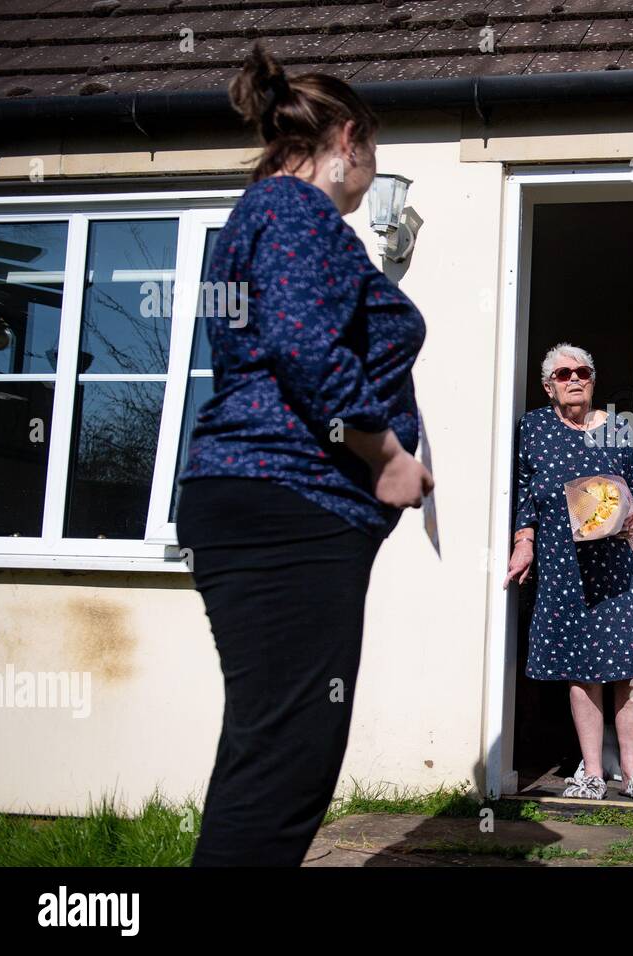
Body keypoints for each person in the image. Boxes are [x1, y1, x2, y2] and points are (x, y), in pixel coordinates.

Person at [176, 42, 433, 866]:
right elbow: (304, 344)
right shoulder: (293, 212)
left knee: (272, 750)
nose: (366, 183)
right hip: (286, 502)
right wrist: (387, 452)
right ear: (347, 140)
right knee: (288, 760)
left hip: (277, 503)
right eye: (371, 160)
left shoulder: (265, 215)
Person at [503, 343, 633, 801]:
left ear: (592, 379)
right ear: (548, 386)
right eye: (562, 374)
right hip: (564, 563)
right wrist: (524, 543)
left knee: (630, 669)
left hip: (618, 562)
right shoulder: (534, 427)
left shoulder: (616, 428)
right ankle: (593, 773)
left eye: (582, 371)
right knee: (582, 667)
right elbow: (524, 492)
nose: (573, 379)